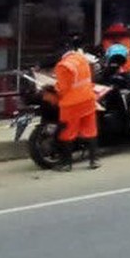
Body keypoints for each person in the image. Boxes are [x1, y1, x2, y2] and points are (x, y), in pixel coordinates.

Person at [51, 35, 99, 170]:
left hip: (71, 104)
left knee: (67, 133)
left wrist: (53, 87)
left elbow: (63, 88)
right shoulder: (81, 58)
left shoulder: (63, 65)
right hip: (88, 99)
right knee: (90, 130)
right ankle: (94, 160)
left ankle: (67, 164)